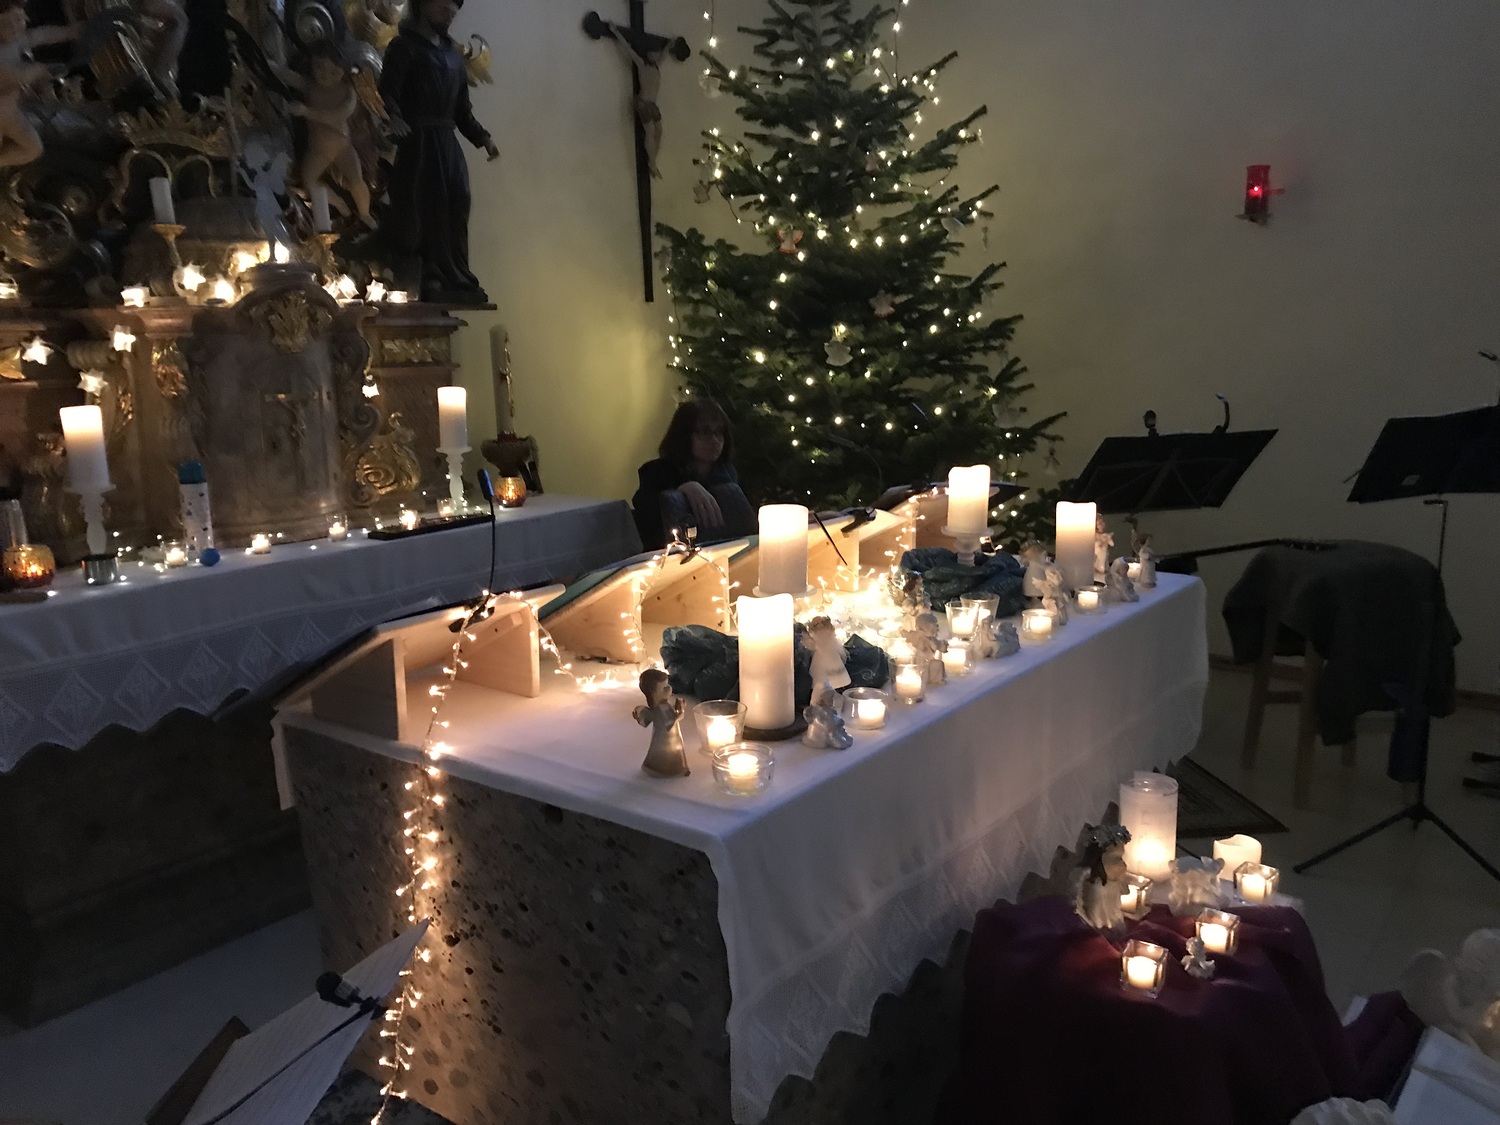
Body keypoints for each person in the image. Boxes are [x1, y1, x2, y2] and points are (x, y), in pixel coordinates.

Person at [378, 0, 499, 304]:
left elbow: (462, 110)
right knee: (424, 204)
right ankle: (429, 272)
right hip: (418, 143)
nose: (450, 13)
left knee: (458, 200)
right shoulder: (403, 48)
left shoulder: (454, 56)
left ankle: (455, 274)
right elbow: (388, 92)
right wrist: (394, 116)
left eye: (454, 8)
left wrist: (482, 137)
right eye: (442, 5)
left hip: (447, 143)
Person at [632, 401, 756, 550]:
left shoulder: (730, 474)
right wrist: (683, 490)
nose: (714, 440)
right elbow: (644, 517)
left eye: (719, 432)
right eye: (705, 431)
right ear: (684, 434)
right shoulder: (657, 471)